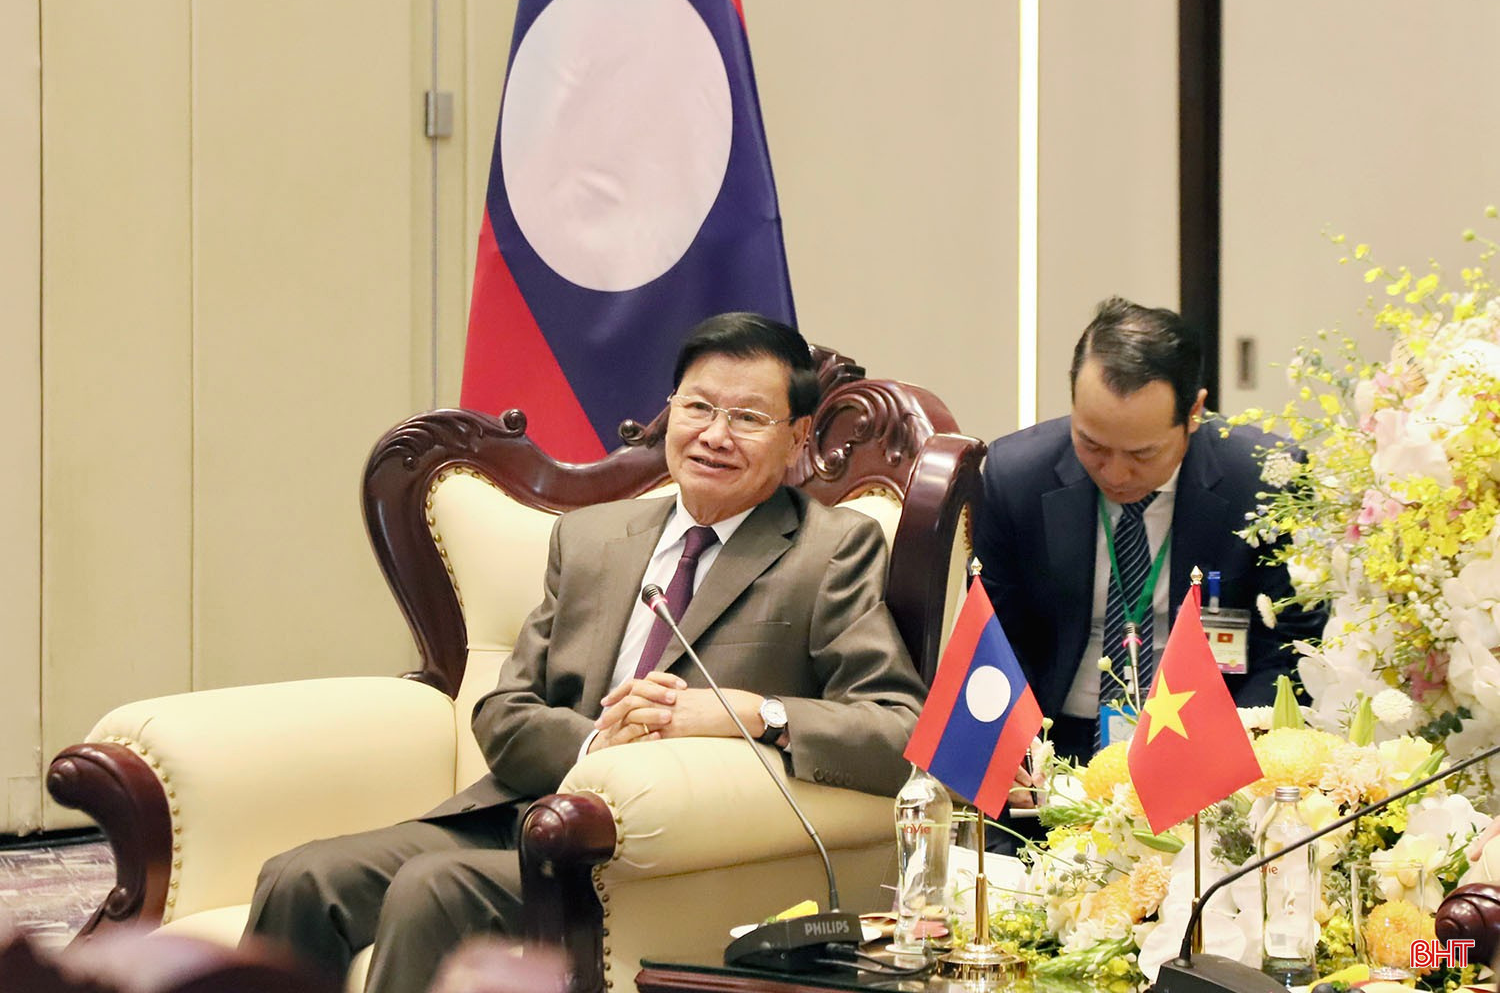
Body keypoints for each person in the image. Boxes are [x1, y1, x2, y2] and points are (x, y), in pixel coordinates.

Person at [242, 312, 928, 993]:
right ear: (671, 411)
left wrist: (753, 715)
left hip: (651, 854)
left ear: (797, 438)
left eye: (748, 418)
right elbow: (503, 711)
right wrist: (597, 743)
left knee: (434, 887)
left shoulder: (829, 550)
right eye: (698, 407)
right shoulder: (592, 539)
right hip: (522, 812)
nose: (715, 435)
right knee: (300, 876)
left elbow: (901, 733)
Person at [974, 297, 1325, 766]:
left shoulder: (1264, 482)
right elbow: (995, 638)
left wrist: (1227, 758)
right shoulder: (1016, 476)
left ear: (1194, 413)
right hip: (1054, 744)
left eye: (1142, 454)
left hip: (1212, 740)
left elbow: (1291, 649)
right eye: (1092, 444)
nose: (1115, 474)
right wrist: (1012, 753)